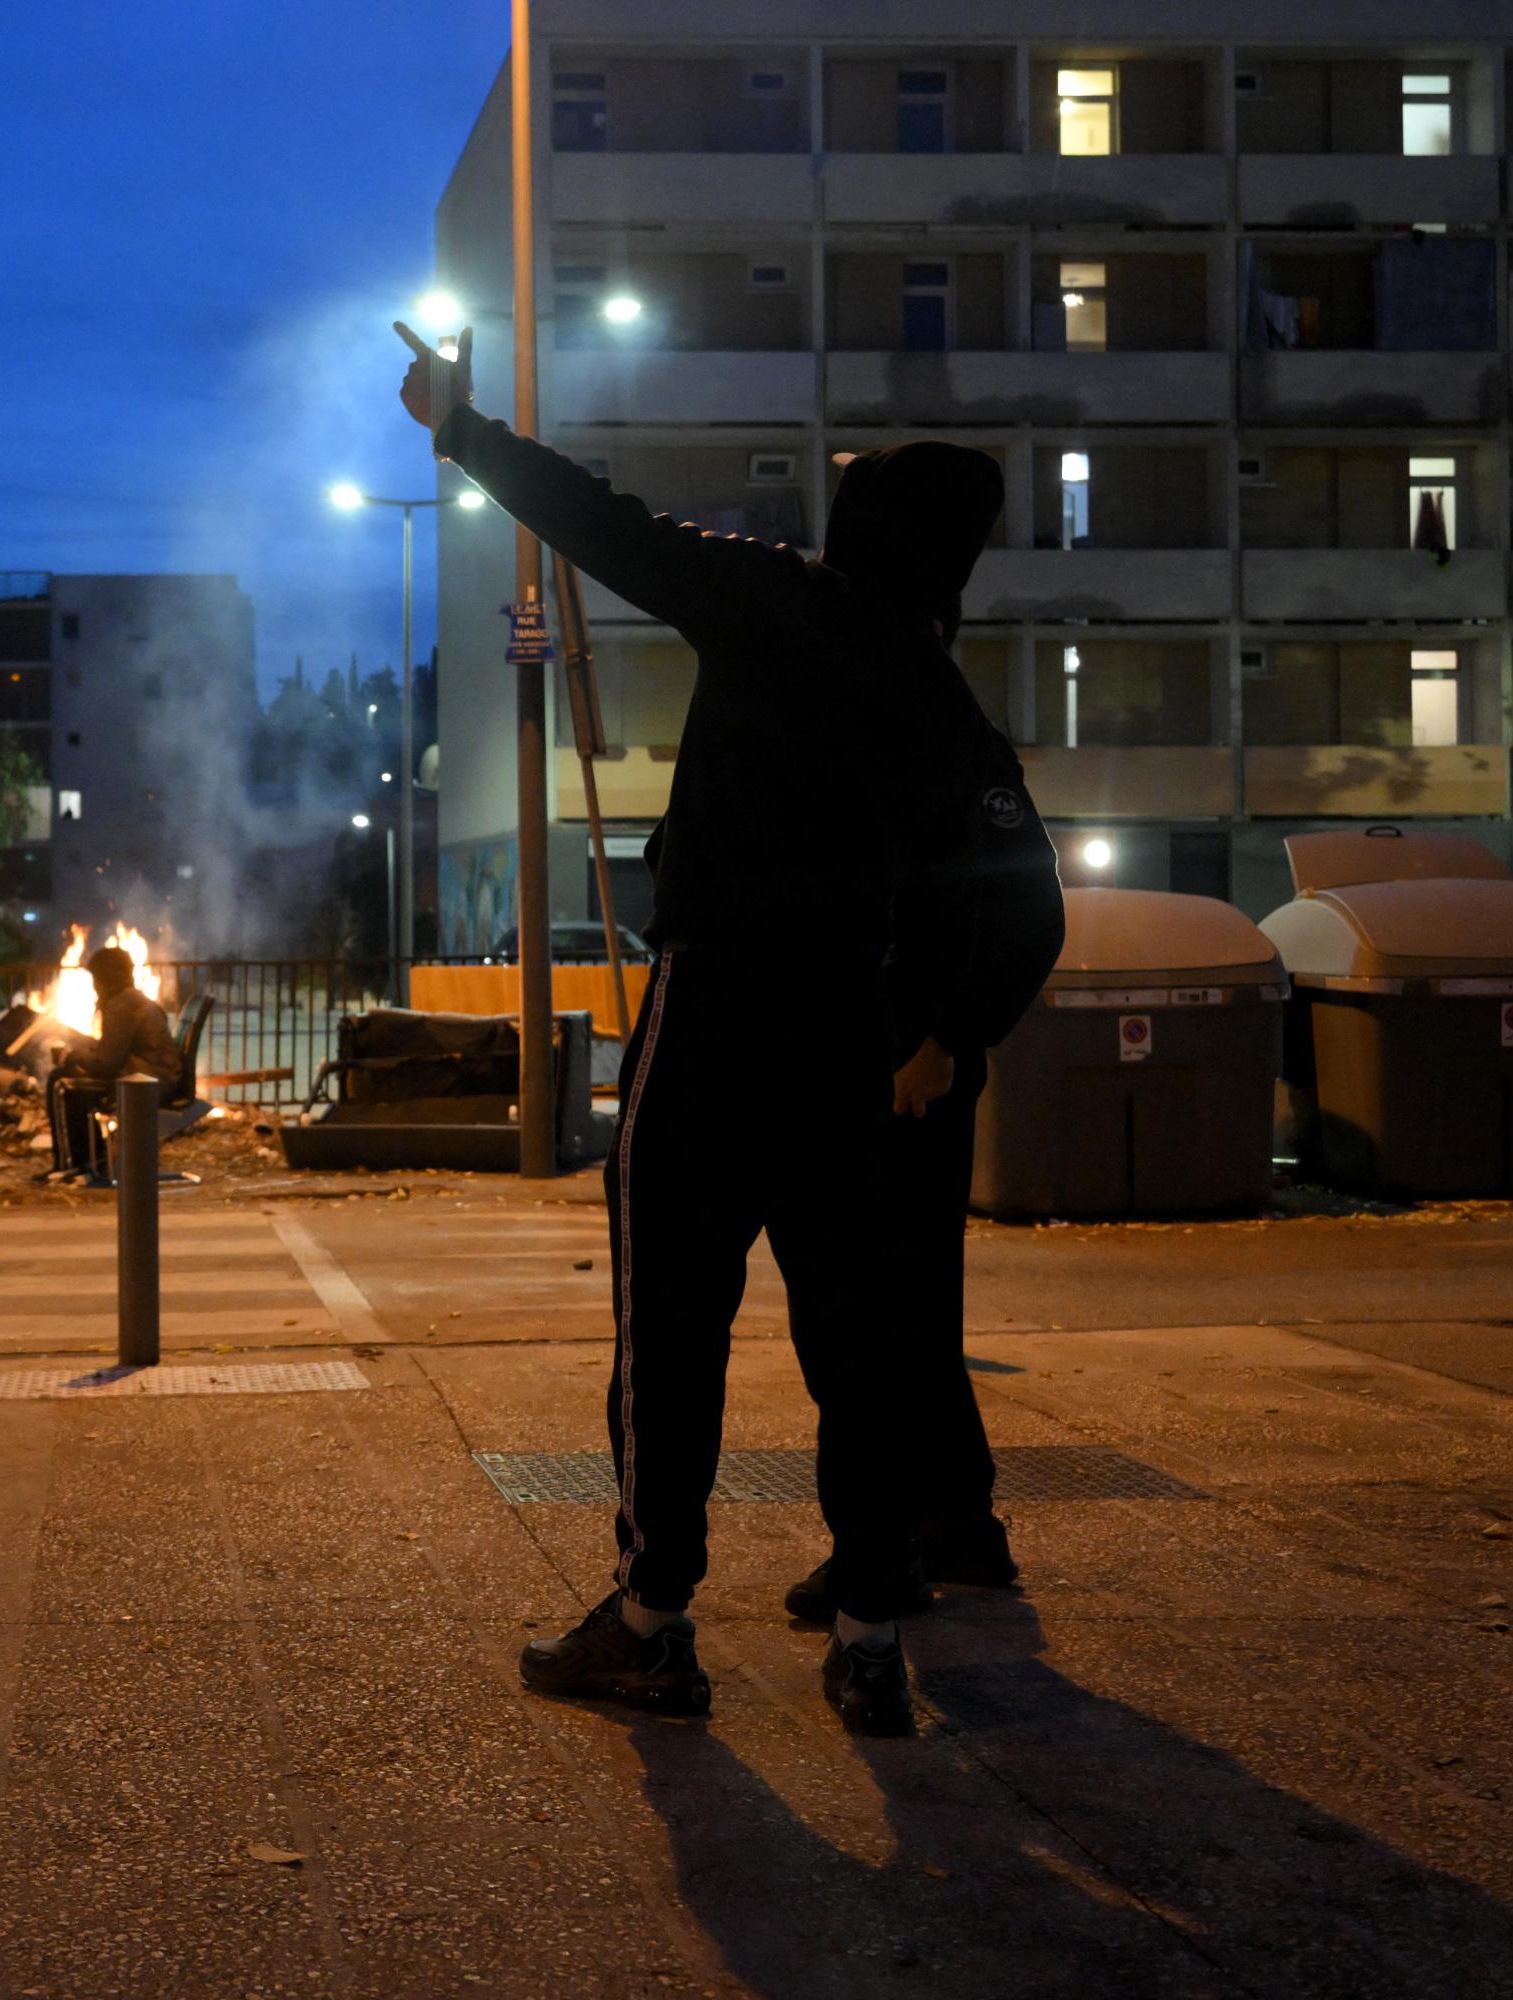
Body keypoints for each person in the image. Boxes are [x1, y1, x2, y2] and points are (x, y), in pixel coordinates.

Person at [390, 322, 999, 1735]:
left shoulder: (777, 598)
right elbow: (985, 873)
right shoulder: (933, 688)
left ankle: (656, 1622)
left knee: (673, 1325)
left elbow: (601, 524)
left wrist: (462, 430)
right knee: (855, 1342)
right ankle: (864, 1639)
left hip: (721, 1006)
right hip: (851, 1032)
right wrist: (942, 1035)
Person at [781, 651, 1066, 1627]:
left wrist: (946, 1037)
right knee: (897, 1311)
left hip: (908, 1073)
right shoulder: (890, 726)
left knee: (873, 1314)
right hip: (879, 1062)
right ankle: (950, 1525)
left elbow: (1031, 910)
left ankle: (892, 1542)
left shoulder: (943, 737)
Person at [48, 946, 185, 1183]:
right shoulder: (131, 999)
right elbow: (115, 1051)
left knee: (61, 1082)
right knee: (70, 1081)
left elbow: (106, 1064)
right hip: (154, 1077)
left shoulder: (120, 1005)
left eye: (95, 979)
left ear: (104, 978)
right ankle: (92, 1160)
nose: (94, 986)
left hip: (146, 1084)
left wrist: (72, 1056)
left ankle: (72, 1164)